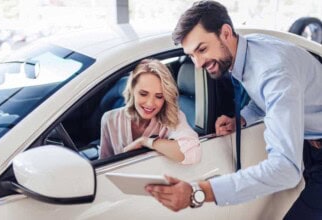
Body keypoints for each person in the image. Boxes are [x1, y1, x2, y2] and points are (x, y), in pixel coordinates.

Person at [145, 1, 322, 219]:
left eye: (202, 49)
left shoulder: (274, 73)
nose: (198, 64)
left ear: (226, 32)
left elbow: (285, 170)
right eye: (191, 55)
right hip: (310, 144)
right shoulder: (245, 53)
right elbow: (263, 98)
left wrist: (199, 191)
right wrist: (242, 119)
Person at [99, 59, 201, 165]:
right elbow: (103, 164)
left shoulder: (172, 117)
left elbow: (192, 153)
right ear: (132, 90)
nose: (150, 103)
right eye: (143, 94)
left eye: (159, 96)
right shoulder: (110, 119)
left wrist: (146, 141)